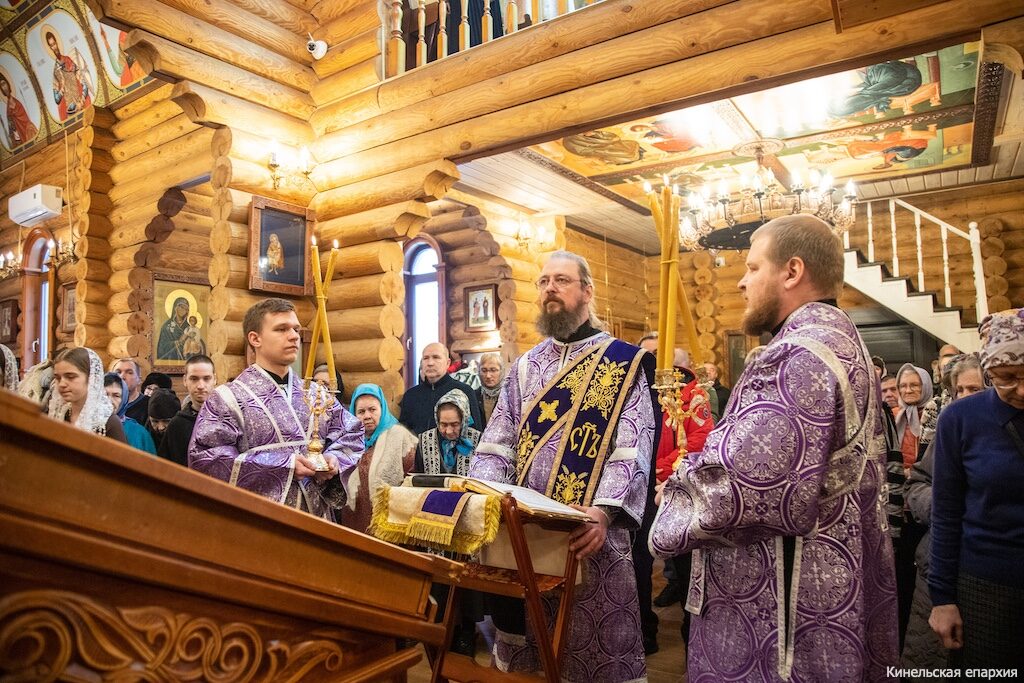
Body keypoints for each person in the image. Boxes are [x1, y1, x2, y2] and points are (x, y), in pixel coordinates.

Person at [649, 215, 898, 680]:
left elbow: (746, 489)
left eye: (752, 267)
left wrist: (674, 497)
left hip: (789, 602)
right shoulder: (843, 340)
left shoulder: (795, 354)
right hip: (833, 569)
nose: (741, 283)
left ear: (792, 271)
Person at [469, 250, 655, 682]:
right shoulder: (524, 367)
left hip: (589, 534)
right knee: (532, 652)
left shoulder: (622, 361)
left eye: (562, 280)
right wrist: (488, 498)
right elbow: (497, 442)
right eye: (544, 281)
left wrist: (603, 513)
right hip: (526, 533)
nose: (550, 288)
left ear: (587, 291)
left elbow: (632, 446)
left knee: (594, 652)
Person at [189, 298, 364, 520]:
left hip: (316, 521)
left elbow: (351, 433)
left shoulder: (317, 394)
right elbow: (207, 459)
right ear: (255, 339)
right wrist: (283, 466)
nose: (294, 336)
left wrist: (334, 459)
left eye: (296, 329)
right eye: (281, 329)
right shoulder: (227, 399)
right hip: (257, 522)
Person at [929, 309, 1024, 669]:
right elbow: (946, 512)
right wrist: (942, 597)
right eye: (1006, 378)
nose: (1021, 389)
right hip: (987, 586)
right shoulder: (960, 419)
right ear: (988, 372)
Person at [901, 354, 985, 674]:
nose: (964, 398)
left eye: (974, 389)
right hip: (935, 566)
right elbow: (917, 484)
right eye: (959, 390)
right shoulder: (948, 431)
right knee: (930, 663)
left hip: (984, 570)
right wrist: (942, 508)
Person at [638, 336, 714, 651]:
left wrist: (659, 469)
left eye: (655, 354)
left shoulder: (692, 394)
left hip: (678, 489)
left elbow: (700, 440)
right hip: (639, 489)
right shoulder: (636, 392)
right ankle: (644, 632)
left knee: (685, 566)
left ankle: (691, 637)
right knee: (638, 563)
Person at [340, 383, 417, 534]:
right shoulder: (347, 442)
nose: (367, 416)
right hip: (354, 523)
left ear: (382, 409)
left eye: (372, 409)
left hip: (391, 524)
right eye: (361, 411)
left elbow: (413, 479)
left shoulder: (400, 437)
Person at [399, 342, 482, 435]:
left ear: (447, 363)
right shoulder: (411, 395)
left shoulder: (464, 391)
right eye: (425, 358)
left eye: (436, 357)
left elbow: (475, 432)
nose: (430, 363)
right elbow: (404, 432)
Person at [48, 347, 125, 443]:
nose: (62, 384)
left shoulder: (107, 422)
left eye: (70, 377)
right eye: (58, 378)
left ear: (91, 378)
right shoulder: (60, 415)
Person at [158, 354, 216, 467]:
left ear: (214, 379)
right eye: (194, 379)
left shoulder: (228, 420)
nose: (201, 386)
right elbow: (164, 467)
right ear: (185, 380)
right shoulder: (177, 424)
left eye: (206, 378)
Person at [415, 389, 481, 476]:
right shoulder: (425, 441)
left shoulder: (478, 441)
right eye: (443, 425)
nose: (448, 431)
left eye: (455, 424)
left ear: (464, 421)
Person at [103, 372, 156, 454]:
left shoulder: (138, 433)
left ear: (124, 399)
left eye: (116, 396)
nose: (109, 401)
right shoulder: (85, 424)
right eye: (105, 395)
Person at [46, 30, 93, 121]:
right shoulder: (56, 71)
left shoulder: (69, 60)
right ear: (50, 48)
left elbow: (84, 83)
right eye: (51, 45)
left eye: (54, 44)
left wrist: (82, 101)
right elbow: (57, 99)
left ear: (57, 43)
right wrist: (62, 87)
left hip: (81, 104)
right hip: (70, 111)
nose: (54, 47)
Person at [0, 73, 38, 148]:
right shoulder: (8, 110)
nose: (4, 87)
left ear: (8, 84)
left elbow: (25, 118)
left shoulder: (18, 103)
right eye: (1, 86)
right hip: (19, 136)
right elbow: (11, 129)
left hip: (28, 130)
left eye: (4, 84)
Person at [113, 358, 148, 425]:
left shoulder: (148, 405)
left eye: (129, 373)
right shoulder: (104, 405)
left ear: (139, 379)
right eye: (118, 372)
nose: (122, 377)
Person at [157, 296, 192, 361]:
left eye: (186, 309)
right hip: (169, 360)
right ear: (175, 308)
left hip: (185, 361)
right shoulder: (166, 326)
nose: (183, 310)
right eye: (181, 307)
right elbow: (161, 347)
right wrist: (175, 343)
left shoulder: (189, 327)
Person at [474, 352, 503, 426]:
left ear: (501, 371)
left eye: (493, 370)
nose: (488, 376)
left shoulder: (509, 397)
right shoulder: (473, 396)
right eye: (484, 370)